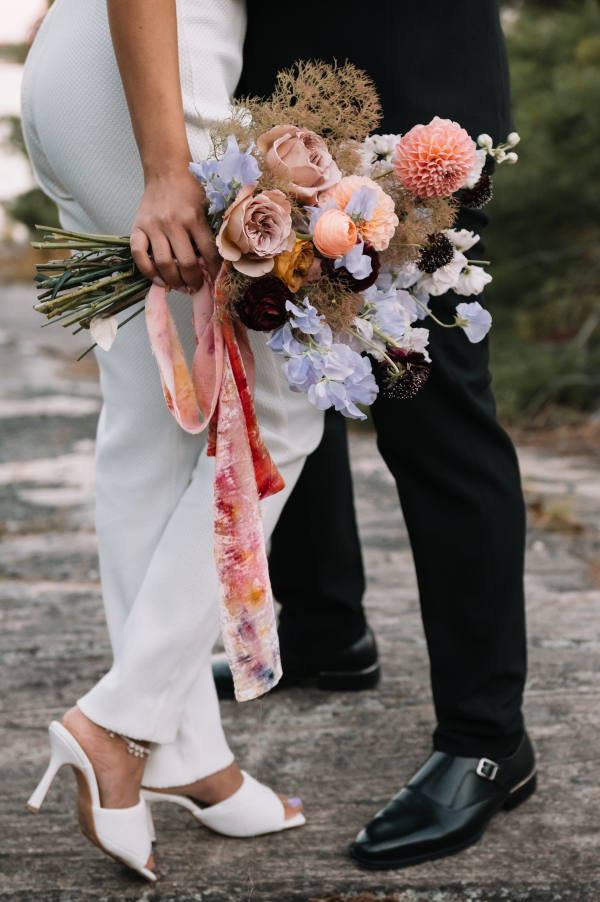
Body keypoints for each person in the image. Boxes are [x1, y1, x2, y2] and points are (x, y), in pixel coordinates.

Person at [214, 0, 537, 869]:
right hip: (272, 80)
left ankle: (488, 738)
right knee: (289, 351)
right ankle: (325, 632)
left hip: (414, 80)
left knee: (431, 405)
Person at [21, 0, 322, 881]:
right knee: (282, 409)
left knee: (153, 422)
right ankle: (120, 721)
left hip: (90, 67)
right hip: (156, 71)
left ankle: (182, 747)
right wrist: (164, 163)